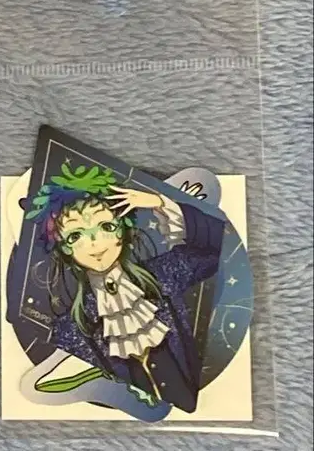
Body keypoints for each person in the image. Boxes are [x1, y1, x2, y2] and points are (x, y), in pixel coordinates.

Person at [13, 163, 224, 412]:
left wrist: (160, 203)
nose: (95, 243)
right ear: (64, 248)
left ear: (123, 231)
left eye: (106, 227)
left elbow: (221, 248)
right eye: (76, 235)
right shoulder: (72, 327)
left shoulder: (166, 273)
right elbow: (38, 386)